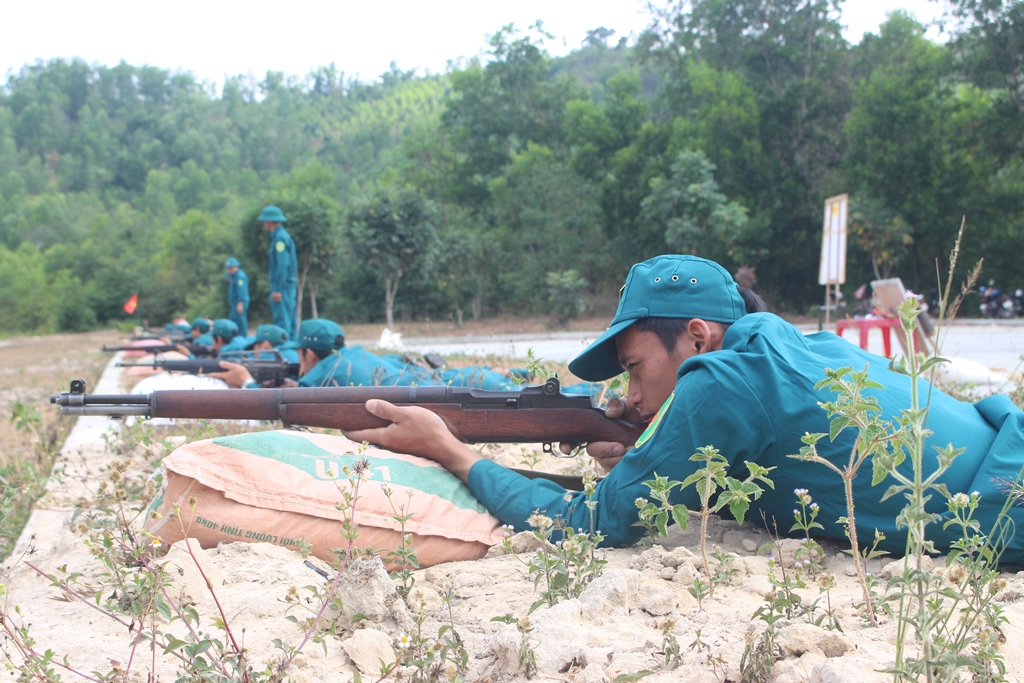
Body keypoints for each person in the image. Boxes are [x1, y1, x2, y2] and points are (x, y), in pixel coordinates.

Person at [344, 254, 1024, 567]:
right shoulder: (790, 342)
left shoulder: (721, 380)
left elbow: (593, 524)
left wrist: (452, 450)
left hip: (1006, 505)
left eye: (636, 367)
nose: (630, 396)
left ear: (696, 336)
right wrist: (648, 450)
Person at [258, 205, 298, 340]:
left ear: (269, 222)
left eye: (264, 221)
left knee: (283, 322)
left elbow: (282, 266)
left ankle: (285, 353)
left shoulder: (280, 239)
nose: (264, 225)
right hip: (286, 286)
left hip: (283, 287)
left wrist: (278, 289)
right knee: (290, 321)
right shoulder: (281, 237)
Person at [224, 257, 250, 337]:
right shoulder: (233, 276)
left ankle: (243, 337)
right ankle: (236, 337)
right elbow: (227, 276)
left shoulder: (240, 277)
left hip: (240, 302)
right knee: (233, 322)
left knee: (240, 321)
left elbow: (242, 291)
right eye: (228, 268)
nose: (229, 270)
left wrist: (240, 303)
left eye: (231, 268)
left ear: (236, 266)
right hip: (234, 303)